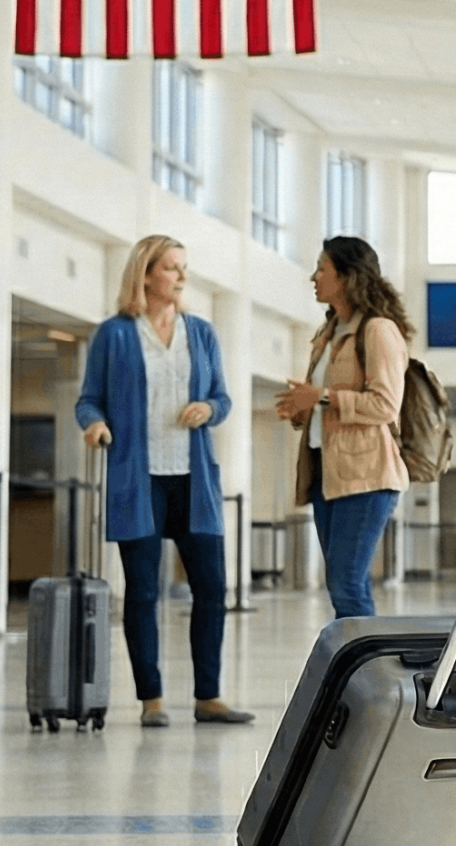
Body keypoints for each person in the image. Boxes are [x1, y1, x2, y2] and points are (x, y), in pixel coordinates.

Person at [75, 235, 254, 728]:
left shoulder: (200, 332)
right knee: (142, 592)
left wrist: (209, 408)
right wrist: (95, 424)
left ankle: (208, 697)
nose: (181, 277)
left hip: (194, 480)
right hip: (140, 479)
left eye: (183, 267)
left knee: (212, 589)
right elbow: (89, 399)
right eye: (172, 268)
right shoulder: (114, 334)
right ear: (146, 273)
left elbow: (222, 397)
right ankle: (151, 699)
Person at [275, 237, 412, 621]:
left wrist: (320, 398)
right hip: (326, 474)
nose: (314, 277)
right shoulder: (328, 333)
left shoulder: (379, 331)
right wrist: (299, 408)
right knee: (342, 584)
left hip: (367, 477)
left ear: (348, 277)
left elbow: (385, 406)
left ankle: (365, 674)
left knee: (346, 583)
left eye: (322, 269)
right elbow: (321, 400)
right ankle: (356, 671)